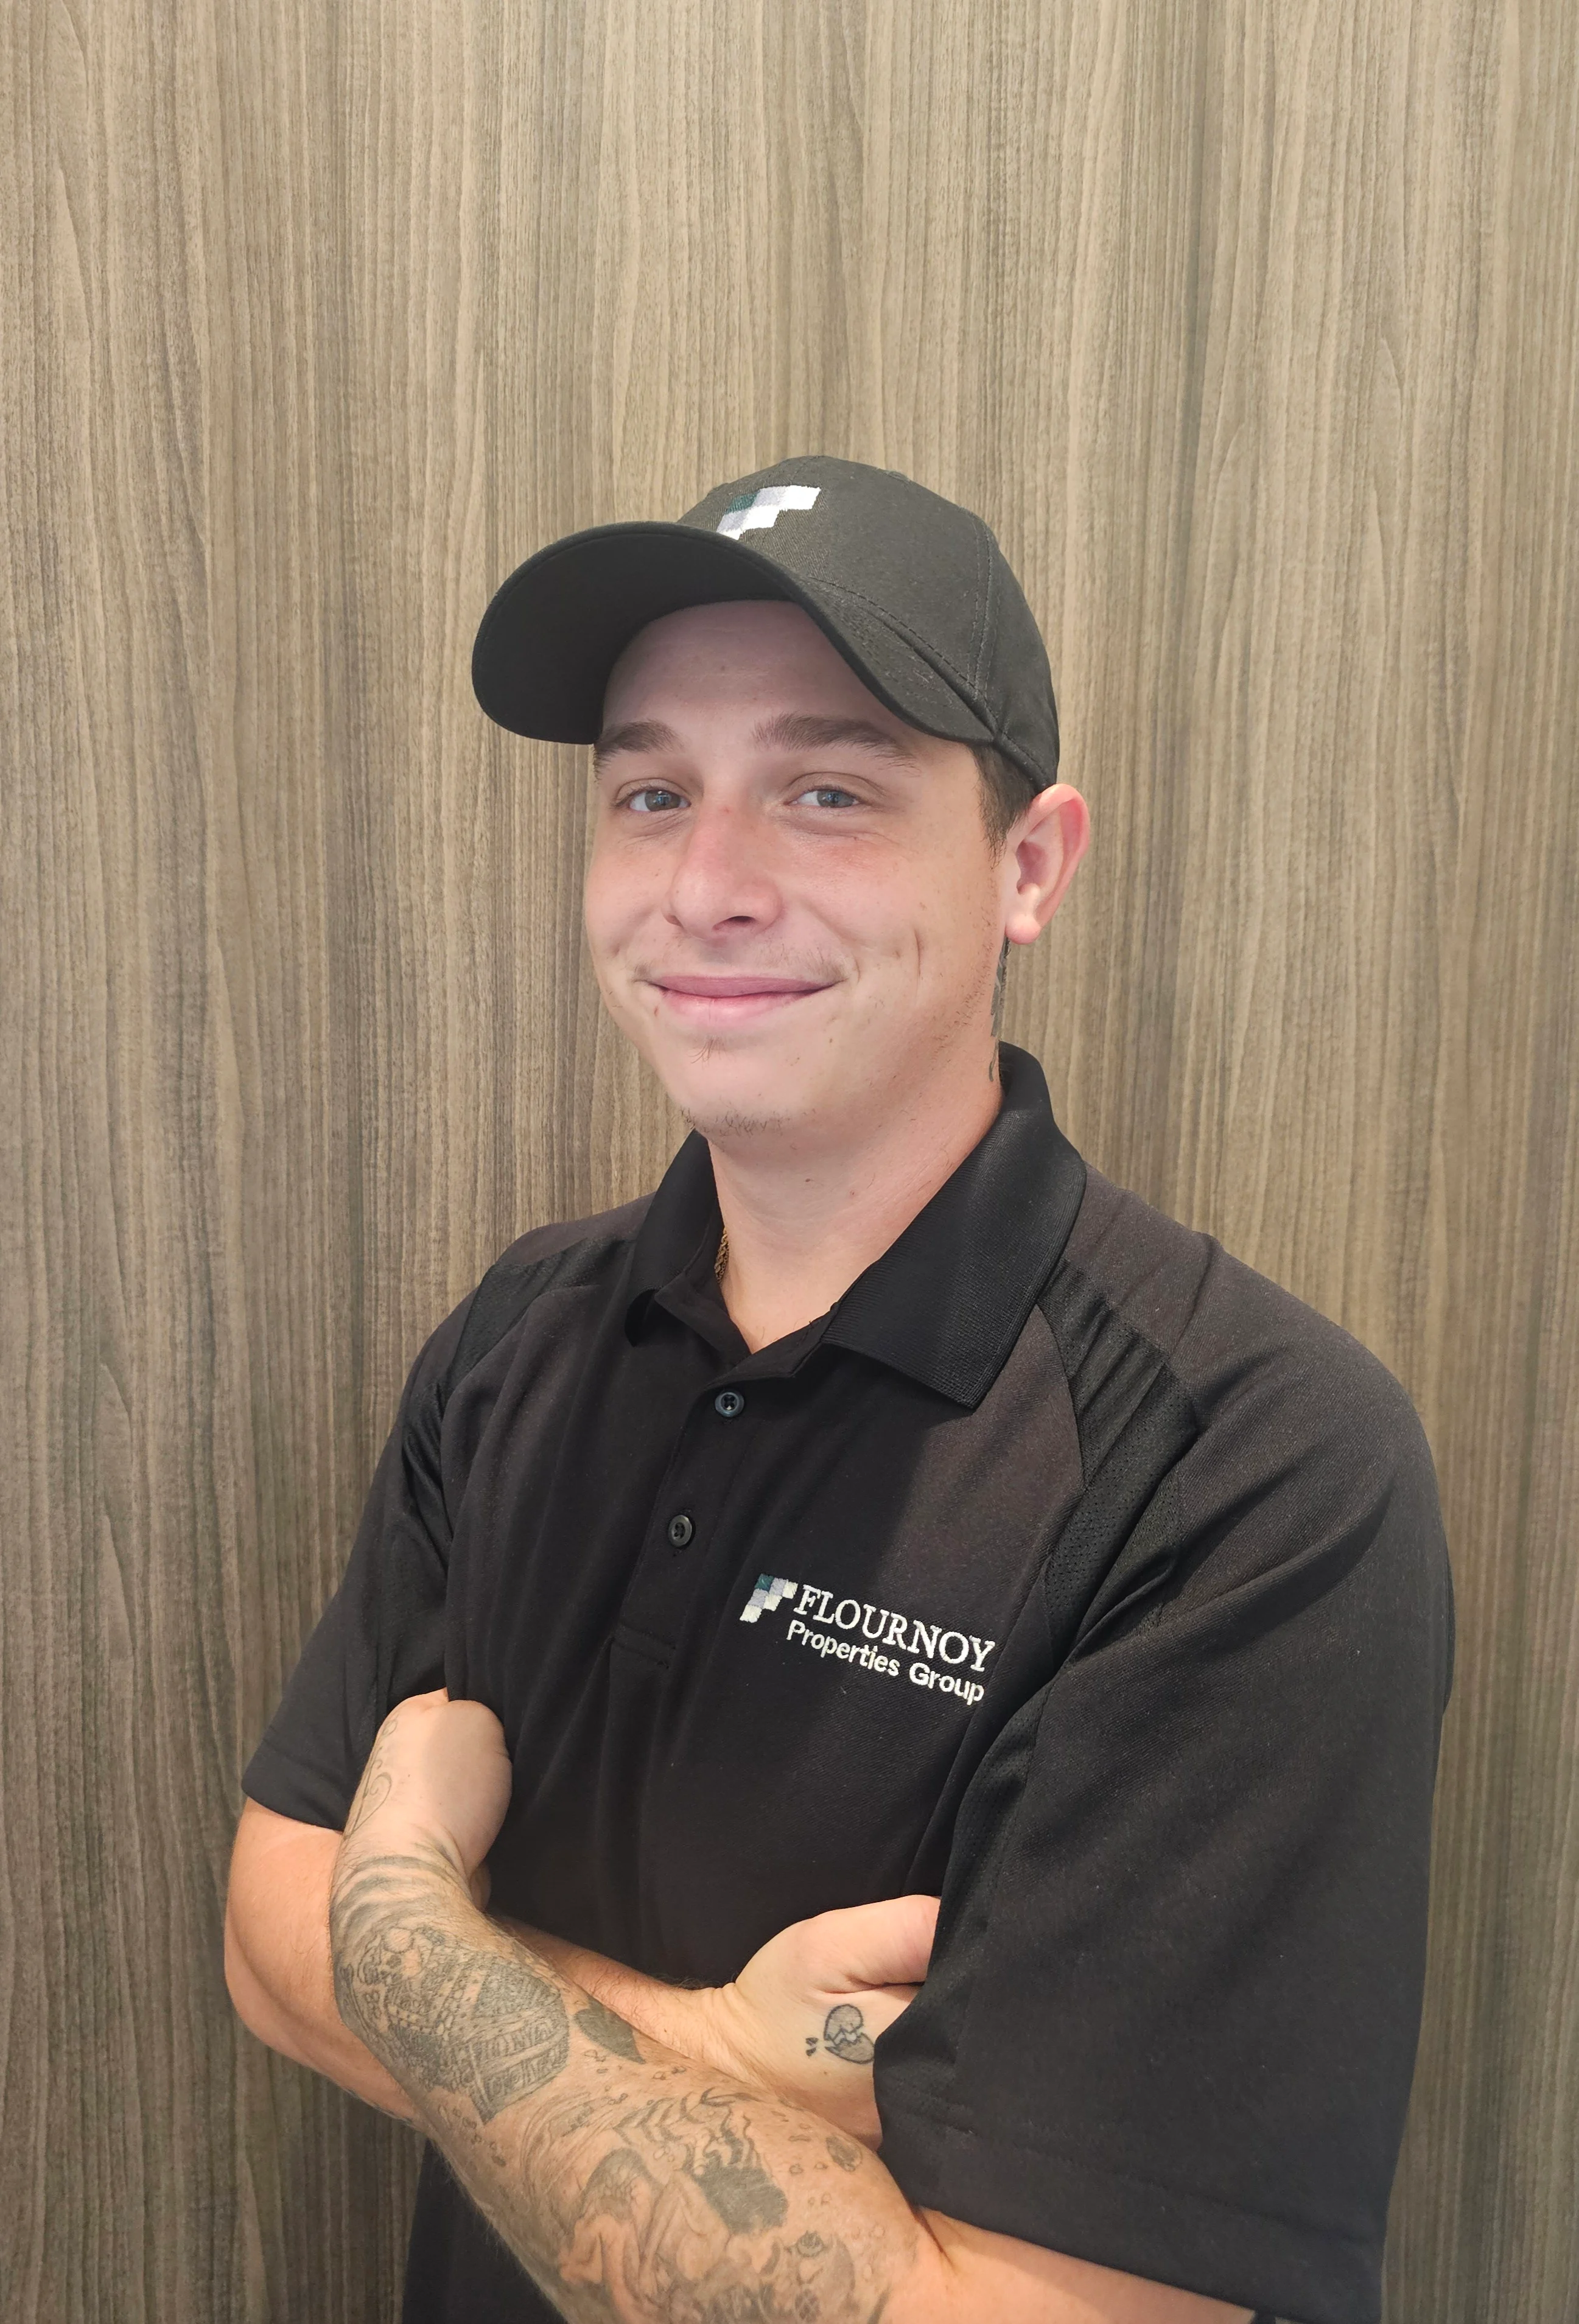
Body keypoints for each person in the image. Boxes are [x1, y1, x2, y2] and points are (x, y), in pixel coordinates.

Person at [225, 456, 1453, 2324]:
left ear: (1027, 865)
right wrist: (713, 2053)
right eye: (652, 793)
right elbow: (263, 1931)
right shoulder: (515, 1339)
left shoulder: (1251, 1468)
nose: (708, 886)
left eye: (827, 790)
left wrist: (411, 1926)